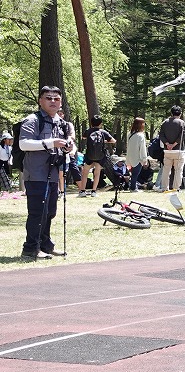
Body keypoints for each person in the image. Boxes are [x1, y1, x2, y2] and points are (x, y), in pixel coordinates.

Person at [18, 86, 75, 259]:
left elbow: (66, 148)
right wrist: (50, 143)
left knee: (50, 212)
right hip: (36, 174)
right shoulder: (32, 120)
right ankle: (30, 249)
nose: (53, 101)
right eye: (48, 98)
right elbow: (23, 144)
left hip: (52, 174)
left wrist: (68, 147)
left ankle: (45, 245)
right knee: (37, 212)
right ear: (40, 101)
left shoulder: (61, 123)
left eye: (56, 99)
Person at [75, 114, 115, 197]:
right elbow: (113, 141)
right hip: (100, 156)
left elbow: (83, 137)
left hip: (89, 155)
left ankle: (82, 191)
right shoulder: (103, 132)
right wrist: (104, 141)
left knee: (85, 173)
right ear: (100, 123)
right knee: (97, 173)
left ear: (91, 123)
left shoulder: (88, 131)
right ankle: (94, 191)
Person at [158, 105, 185, 193]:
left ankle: (164, 187)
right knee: (178, 170)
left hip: (167, 150)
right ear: (180, 113)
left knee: (166, 169)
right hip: (179, 150)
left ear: (171, 113)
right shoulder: (182, 123)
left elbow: (161, 135)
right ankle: (176, 188)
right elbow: (183, 135)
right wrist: (174, 144)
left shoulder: (164, 122)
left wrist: (167, 144)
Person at [125, 118, 147, 191]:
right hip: (138, 158)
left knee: (133, 174)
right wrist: (144, 159)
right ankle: (133, 187)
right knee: (135, 175)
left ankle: (132, 186)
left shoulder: (129, 134)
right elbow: (142, 148)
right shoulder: (141, 135)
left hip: (130, 157)